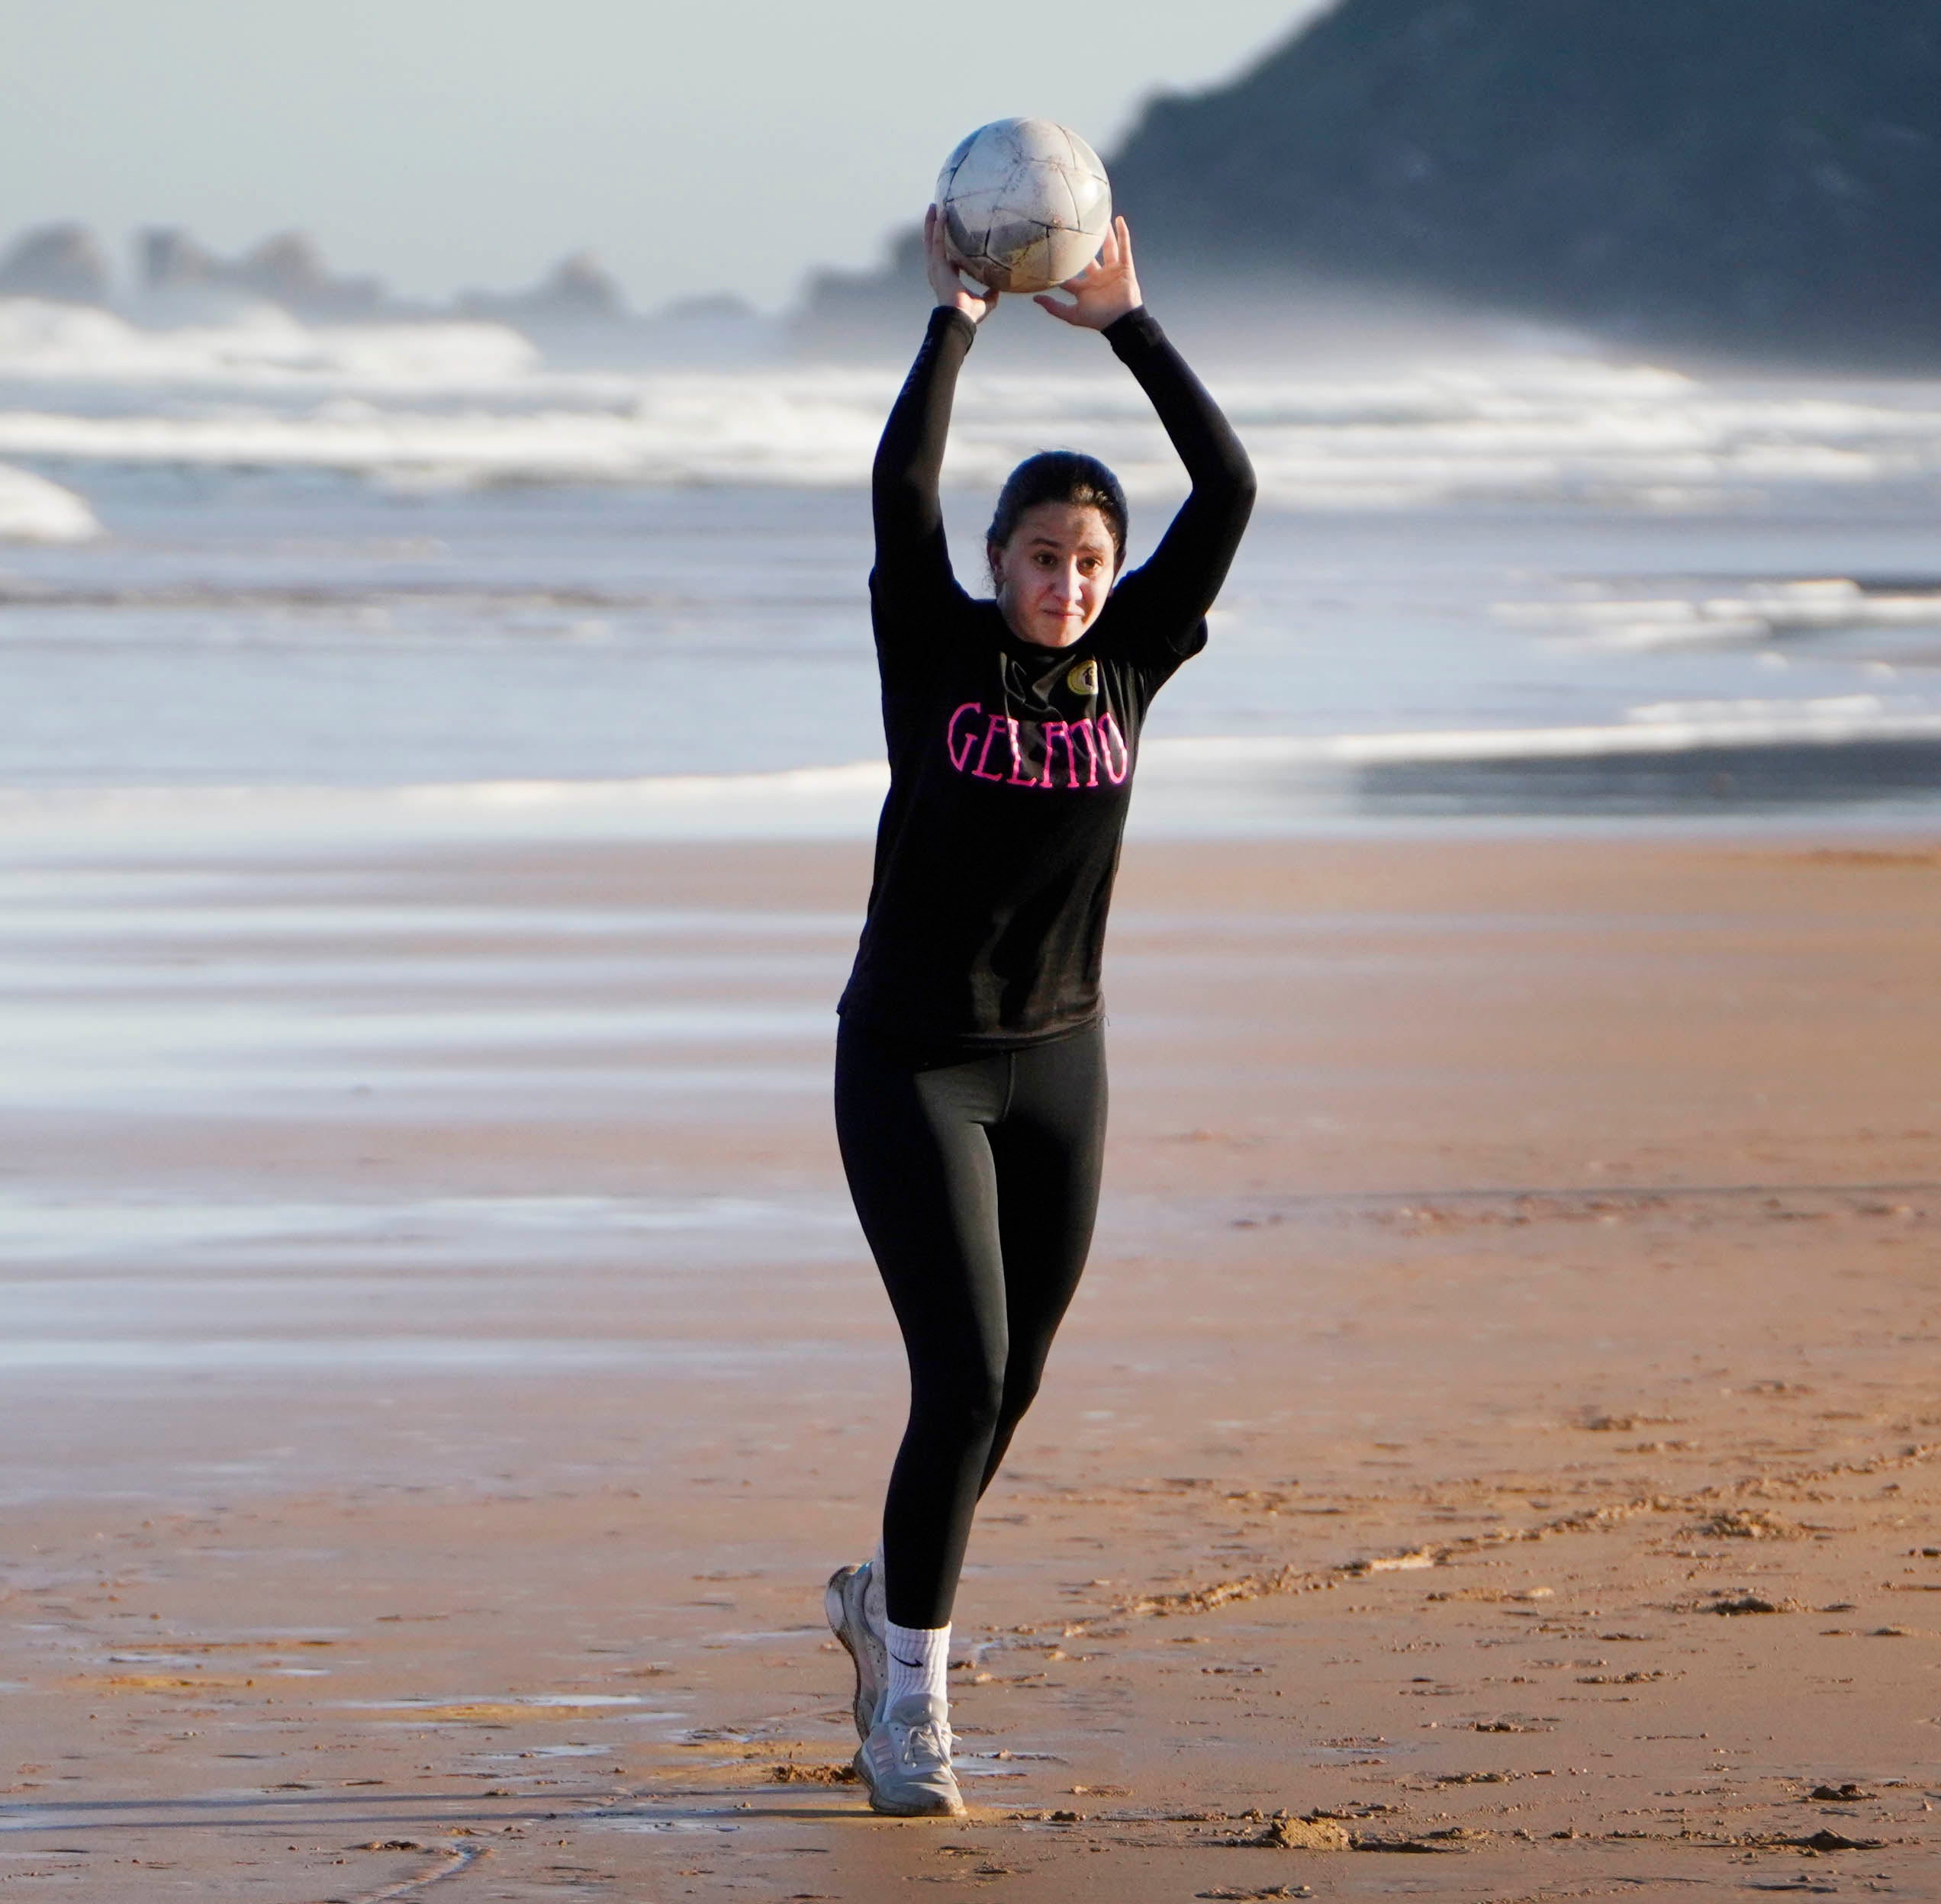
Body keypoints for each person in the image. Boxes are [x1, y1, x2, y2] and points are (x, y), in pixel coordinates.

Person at [819, 205, 1255, 1817]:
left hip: (1061, 1059)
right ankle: (911, 1702)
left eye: (1087, 560)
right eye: (1038, 558)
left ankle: (882, 1601)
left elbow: (1230, 493)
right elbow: (896, 492)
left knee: (1019, 1381)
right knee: (965, 1376)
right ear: (996, 564)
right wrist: (957, 324)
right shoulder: (932, 652)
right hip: (916, 1060)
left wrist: (1129, 324)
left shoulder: (1133, 660)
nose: (1066, 583)